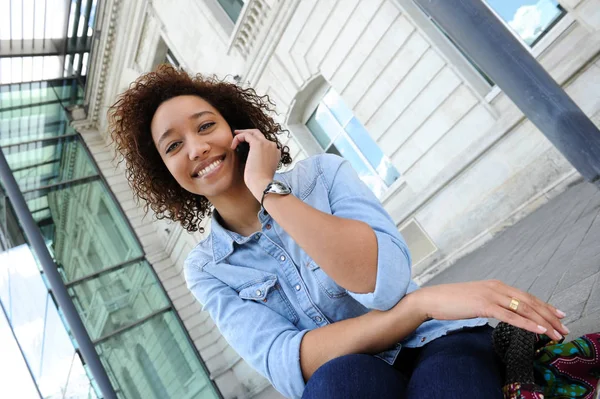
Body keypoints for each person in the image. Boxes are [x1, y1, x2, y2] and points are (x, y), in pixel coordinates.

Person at [109, 65, 569, 399]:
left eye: (206, 126)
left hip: (433, 341)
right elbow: (289, 363)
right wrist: (422, 303)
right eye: (174, 146)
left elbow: (382, 282)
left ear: (235, 126)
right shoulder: (207, 269)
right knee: (335, 383)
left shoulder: (322, 177)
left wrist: (270, 193)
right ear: (166, 172)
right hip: (349, 378)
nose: (197, 147)